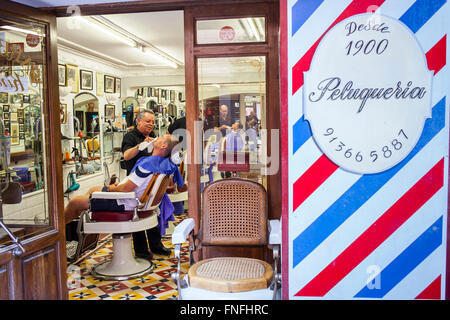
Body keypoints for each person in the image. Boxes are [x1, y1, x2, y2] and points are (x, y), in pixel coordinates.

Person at [64, 135, 182, 256]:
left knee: (75, 202)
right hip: (133, 199)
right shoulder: (164, 164)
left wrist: (112, 188)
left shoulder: (148, 164)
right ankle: (77, 228)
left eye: (161, 137)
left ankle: (59, 234)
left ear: (163, 146)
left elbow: (126, 189)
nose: (157, 137)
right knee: (93, 190)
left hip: (125, 202)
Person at [121, 109, 171, 258]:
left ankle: (156, 245)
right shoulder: (130, 136)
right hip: (135, 182)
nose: (151, 124)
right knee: (138, 212)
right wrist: (140, 146)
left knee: (153, 209)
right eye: (148, 121)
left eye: (153, 122)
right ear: (139, 121)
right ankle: (141, 250)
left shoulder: (153, 136)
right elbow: (125, 155)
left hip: (150, 180)